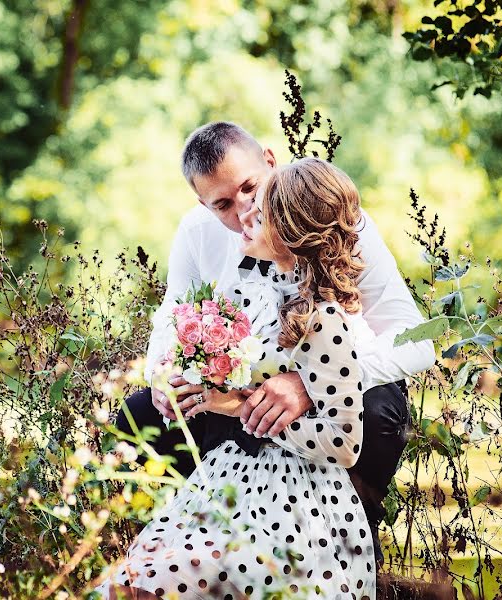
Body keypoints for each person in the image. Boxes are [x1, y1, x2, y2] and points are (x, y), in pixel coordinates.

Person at [115, 122, 435, 565]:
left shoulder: (334, 220)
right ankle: (206, 540)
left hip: (339, 392)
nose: (244, 209)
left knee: (380, 410)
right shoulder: (195, 233)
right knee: (140, 416)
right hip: (244, 396)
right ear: (202, 204)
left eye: (251, 188)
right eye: (223, 204)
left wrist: (313, 382)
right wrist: (164, 373)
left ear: (270, 160)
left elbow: (415, 339)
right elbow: (174, 309)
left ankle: (351, 540)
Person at [97, 158, 379, 599]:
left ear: (290, 235)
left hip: (294, 503)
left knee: (151, 587)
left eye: (259, 213)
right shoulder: (253, 290)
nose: (243, 216)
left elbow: (344, 446)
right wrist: (184, 376)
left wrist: (230, 405)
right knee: (130, 585)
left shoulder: (323, 318)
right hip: (228, 475)